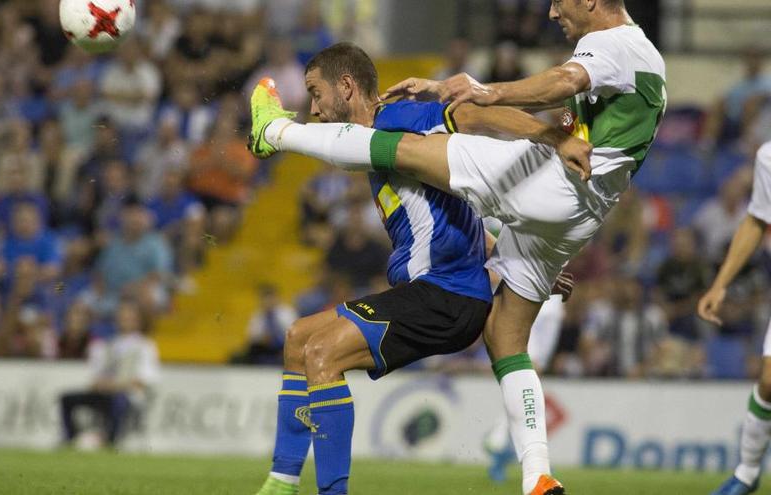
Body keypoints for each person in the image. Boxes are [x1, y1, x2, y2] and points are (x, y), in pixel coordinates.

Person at [248, 2, 664, 493]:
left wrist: (535, 125)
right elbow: (463, 211)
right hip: (570, 215)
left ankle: (274, 131)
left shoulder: (612, 44)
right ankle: (537, 476)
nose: (551, 11)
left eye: (315, 95)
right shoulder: (637, 55)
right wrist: (504, 254)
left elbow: (491, 106)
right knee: (303, 338)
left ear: (345, 87)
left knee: (389, 150)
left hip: (453, 285)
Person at [698, 141, 771, 495]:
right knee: (770, 382)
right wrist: (720, 285)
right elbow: (757, 220)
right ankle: (747, 471)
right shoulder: (769, 157)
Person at [59, 300, 160, 449]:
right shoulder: (107, 344)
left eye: (129, 318)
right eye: (122, 317)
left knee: (119, 400)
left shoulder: (145, 346)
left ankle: (112, 441)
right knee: (67, 398)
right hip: (104, 393)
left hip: (128, 395)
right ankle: (69, 438)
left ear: (138, 321)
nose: (124, 321)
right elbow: (95, 375)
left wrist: (116, 385)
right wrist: (101, 384)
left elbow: (145, 379)